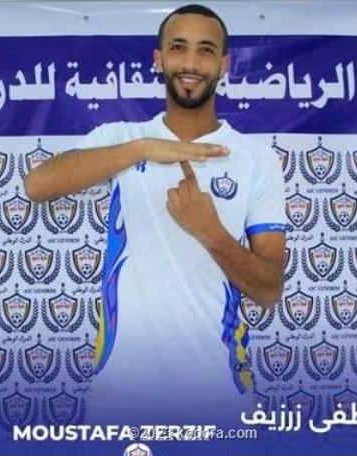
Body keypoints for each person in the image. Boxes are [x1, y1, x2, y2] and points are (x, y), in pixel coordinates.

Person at [24, 4, 286, 426]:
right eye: (178, 48)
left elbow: (269, 291)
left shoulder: (256, 159)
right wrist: (144, 149)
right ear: (159, 59)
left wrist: (211, 232)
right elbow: (38, 186)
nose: (191, 63)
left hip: (218, 396)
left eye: (205, 50)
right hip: (121, 394)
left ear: (223, 65)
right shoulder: (120, 139)